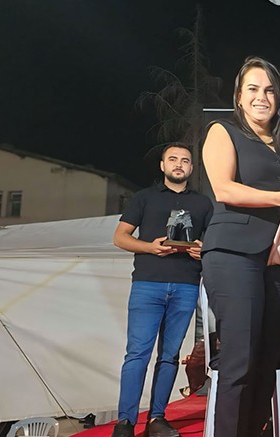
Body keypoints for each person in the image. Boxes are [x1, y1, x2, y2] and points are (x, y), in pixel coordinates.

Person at [201, 56, 280, 437]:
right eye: (253, 89)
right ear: (239, 96)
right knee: (239, 359)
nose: (262, 97)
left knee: (267, 361)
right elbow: (224, 189)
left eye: (270, 90)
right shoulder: (223, 131)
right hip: (233, 254)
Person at [111, 143, 213, 437]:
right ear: (162, 165)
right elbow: (120, 237)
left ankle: (157, 418)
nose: (179, 164)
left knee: (169, 356)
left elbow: (213, 242)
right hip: (148, 284)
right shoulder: (144, 198)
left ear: (191, 167)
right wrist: (150, 247)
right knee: (137, 354)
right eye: (173, 159)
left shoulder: (203, 204)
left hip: (186, 285)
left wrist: (203, 250)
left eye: (185, 160)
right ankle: (125, 422)